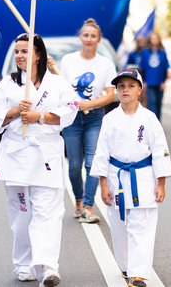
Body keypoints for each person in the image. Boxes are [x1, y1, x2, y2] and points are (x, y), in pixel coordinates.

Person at [0, 33, 79, 286]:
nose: (19, 56)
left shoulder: (58, 84)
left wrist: (40, 116)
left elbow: (72, 107)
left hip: (46, 155)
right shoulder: (7, 84)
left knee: (48, 212)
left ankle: (47, 266)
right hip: (17, 155)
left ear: (38, 54)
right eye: (17, 51)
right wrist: (16, 112)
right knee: (22, 216)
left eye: (25, 51)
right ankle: (24, 264)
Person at [90, 68, 171, 287]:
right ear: (116, 90)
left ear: (140, 90)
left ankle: (138, 273)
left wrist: (161, 183)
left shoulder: (149, 118)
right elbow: (101, 152)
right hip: (116, 176)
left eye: (131, 86)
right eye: (121, 86)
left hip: (143, 177)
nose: (125, 90)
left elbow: (160, 151)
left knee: (141, 226)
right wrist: (103, 184)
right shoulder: (109, 119)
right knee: (118, 226)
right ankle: (126, 266)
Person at [60, 18, 117, 223]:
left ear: (99, 39)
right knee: (74, 164)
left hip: (94, 118)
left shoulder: (105, 63)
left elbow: (111, 95)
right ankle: (78, 199)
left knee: (93, 163)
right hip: (72, 119)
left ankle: (88, 206)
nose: (89, 39)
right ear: (80, 37)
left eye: (93, 36)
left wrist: (89, 105)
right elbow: (62, 89)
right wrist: (76, 104)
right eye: (86, 35)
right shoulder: (67, 60)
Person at [139, 32, 171, 119]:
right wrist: (144, 81)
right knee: (151, 102)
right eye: (153, 38)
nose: (154, 40)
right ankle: (153, 122)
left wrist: (164, 82)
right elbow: (142, 68)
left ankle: (158, 123)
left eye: (156, 38)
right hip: (149, 82)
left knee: (158, 103)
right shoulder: (146, 52)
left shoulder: (162, 52)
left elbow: (165, 68)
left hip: (159, 82)